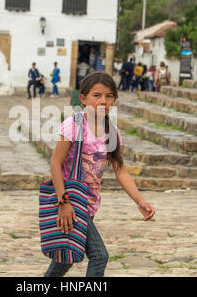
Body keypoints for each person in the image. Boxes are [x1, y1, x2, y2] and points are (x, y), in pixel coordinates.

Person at [44, 71, 155, 277]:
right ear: (84, 98)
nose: (103, 101)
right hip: (72, 202)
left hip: (91, 204)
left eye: (109, 96)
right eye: (97, 95)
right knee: (99, 255)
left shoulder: (112, 131)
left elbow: (120, 170)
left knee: (64, 259)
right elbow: (55, 164)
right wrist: (63, 202)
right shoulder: (74, 125)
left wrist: (140, 201)